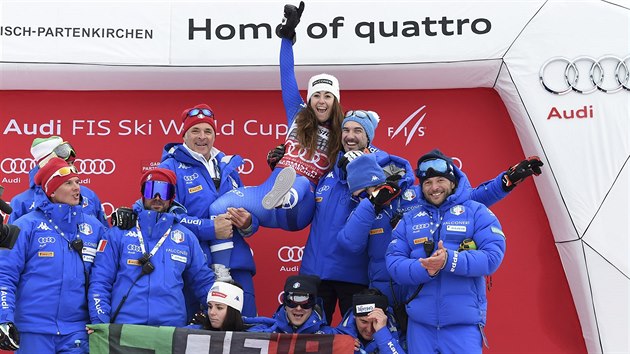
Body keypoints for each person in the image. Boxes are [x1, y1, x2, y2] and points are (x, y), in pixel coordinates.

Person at [386, 149, 507, 354]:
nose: (434, 188)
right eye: (427, 183)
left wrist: (450, 260)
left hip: (463, 327)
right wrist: (425, 269)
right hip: (419, 326)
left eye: (440, 180)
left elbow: (492, 256)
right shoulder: (409, 218)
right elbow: (393, 262)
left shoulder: (477, 212)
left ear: (453, 182)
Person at [159, 104, 259, 317]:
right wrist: (210, 228)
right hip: (194, 266)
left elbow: (249, 208)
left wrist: (249, 223)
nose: (202, 137)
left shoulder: (228, 167)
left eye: (208, 131)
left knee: (245, 332)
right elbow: (165, 218)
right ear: (184, 135)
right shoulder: (170, 168)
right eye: (195, 131)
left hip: (236, 263)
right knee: (197, 338)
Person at [0, 157, 106, 353]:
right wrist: (3, 318)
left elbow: (106, 278)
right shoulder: (25, 226)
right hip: (33, 330)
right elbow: (5, 275)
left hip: (77, 331)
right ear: (52, 190)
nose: (76, 188)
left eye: (78, 182)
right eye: (68, 183)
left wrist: (102, 322)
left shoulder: (95, 227)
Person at [87, 168, 215, 327]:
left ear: (172, 197)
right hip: (125, 327)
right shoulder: (119, 234)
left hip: (170, 329)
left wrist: (222, 311)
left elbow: (203, 281)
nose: (157, 197)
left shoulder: (186, 238)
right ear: (142, 194)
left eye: (164, 191)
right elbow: (100, 281)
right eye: (151, 190)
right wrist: (101, 322)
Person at [9, 136, 108, 227]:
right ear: (45, 164)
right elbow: (13, 243)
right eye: (64, 165)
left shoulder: (89, 196)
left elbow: (104, 237)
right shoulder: (21, 202)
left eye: (71, 164)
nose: (70, 168)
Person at [245, 275, 334, 334]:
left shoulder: (330, 336)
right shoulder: (265, 332)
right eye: (292, 303)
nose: (298, 308)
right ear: (284, 304)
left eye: (305, 304)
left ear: (313, 305)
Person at [335, 289, 405, 354]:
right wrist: (340, 345)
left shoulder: (399, 335)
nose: (369, 329)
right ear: (354, 317)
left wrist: (382, 333)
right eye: (364, 322)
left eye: (375, 322)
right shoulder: (336, 336)